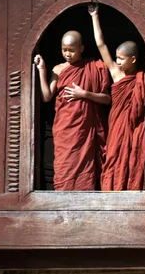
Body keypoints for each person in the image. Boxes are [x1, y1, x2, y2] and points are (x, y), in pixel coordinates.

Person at [34, 31, 111, 191]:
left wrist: (84, 94)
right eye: (64, 50)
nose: (67, 54)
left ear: (81, 48)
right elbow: (47, 96)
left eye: (71, 50)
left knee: (86, 171)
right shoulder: (59, 69)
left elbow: (107, 99)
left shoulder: (94, 67)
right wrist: (42, 70)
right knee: (64, 167)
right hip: (66, 129)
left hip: (85, 130)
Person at [89, 2, 145, 191]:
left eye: (121, 58)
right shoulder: (116, 72)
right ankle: (110, 190)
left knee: (132, 156)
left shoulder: (142, 78)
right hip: (117, 123)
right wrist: (94, 16)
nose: (117, 61)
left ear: (133, 59)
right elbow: (101, 44)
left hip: (134, 125)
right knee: (114, 156)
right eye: (116, 57)